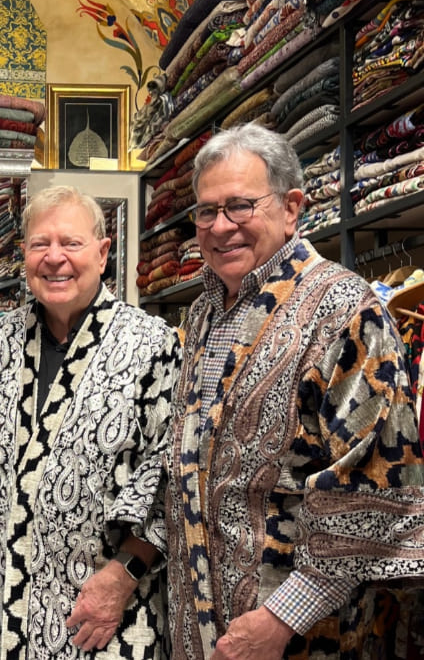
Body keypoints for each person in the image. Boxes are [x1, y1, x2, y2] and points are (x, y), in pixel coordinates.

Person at [165, 122, 424, 660]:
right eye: (206, 211)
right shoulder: (204, 312)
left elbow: (376, 487)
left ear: (291, 208)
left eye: (240, 206)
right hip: (202, 625)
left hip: (300, 636)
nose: (220, 226)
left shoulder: (345, 311)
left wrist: (284, 618)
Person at [0, 185, 181, 659]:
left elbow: (173, 473)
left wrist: (125, 573)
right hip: (16, 612)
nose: (54, 259)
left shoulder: (153, 344)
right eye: (39, 245)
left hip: (109, 613)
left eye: (70, 243)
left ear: (103, 252)